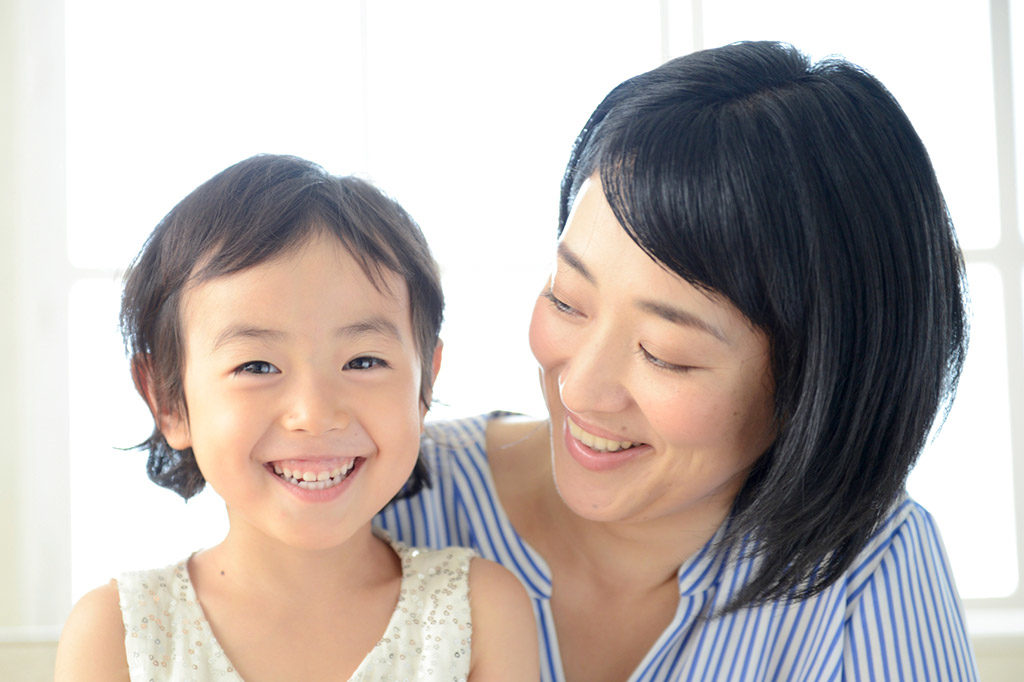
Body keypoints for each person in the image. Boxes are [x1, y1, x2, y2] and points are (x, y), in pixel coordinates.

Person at [377, 41, 977, 681]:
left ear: (819, 380)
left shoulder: (867, 565)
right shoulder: (378, 494)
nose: (580, 389)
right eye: (567, 300)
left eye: (666, 355)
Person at [54, 154, 538, 681]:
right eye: (257, 366)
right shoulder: (118, 636)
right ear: (167, 400)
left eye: (363, 362)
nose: (315, 414)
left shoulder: (479, 613)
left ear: (426, 384)